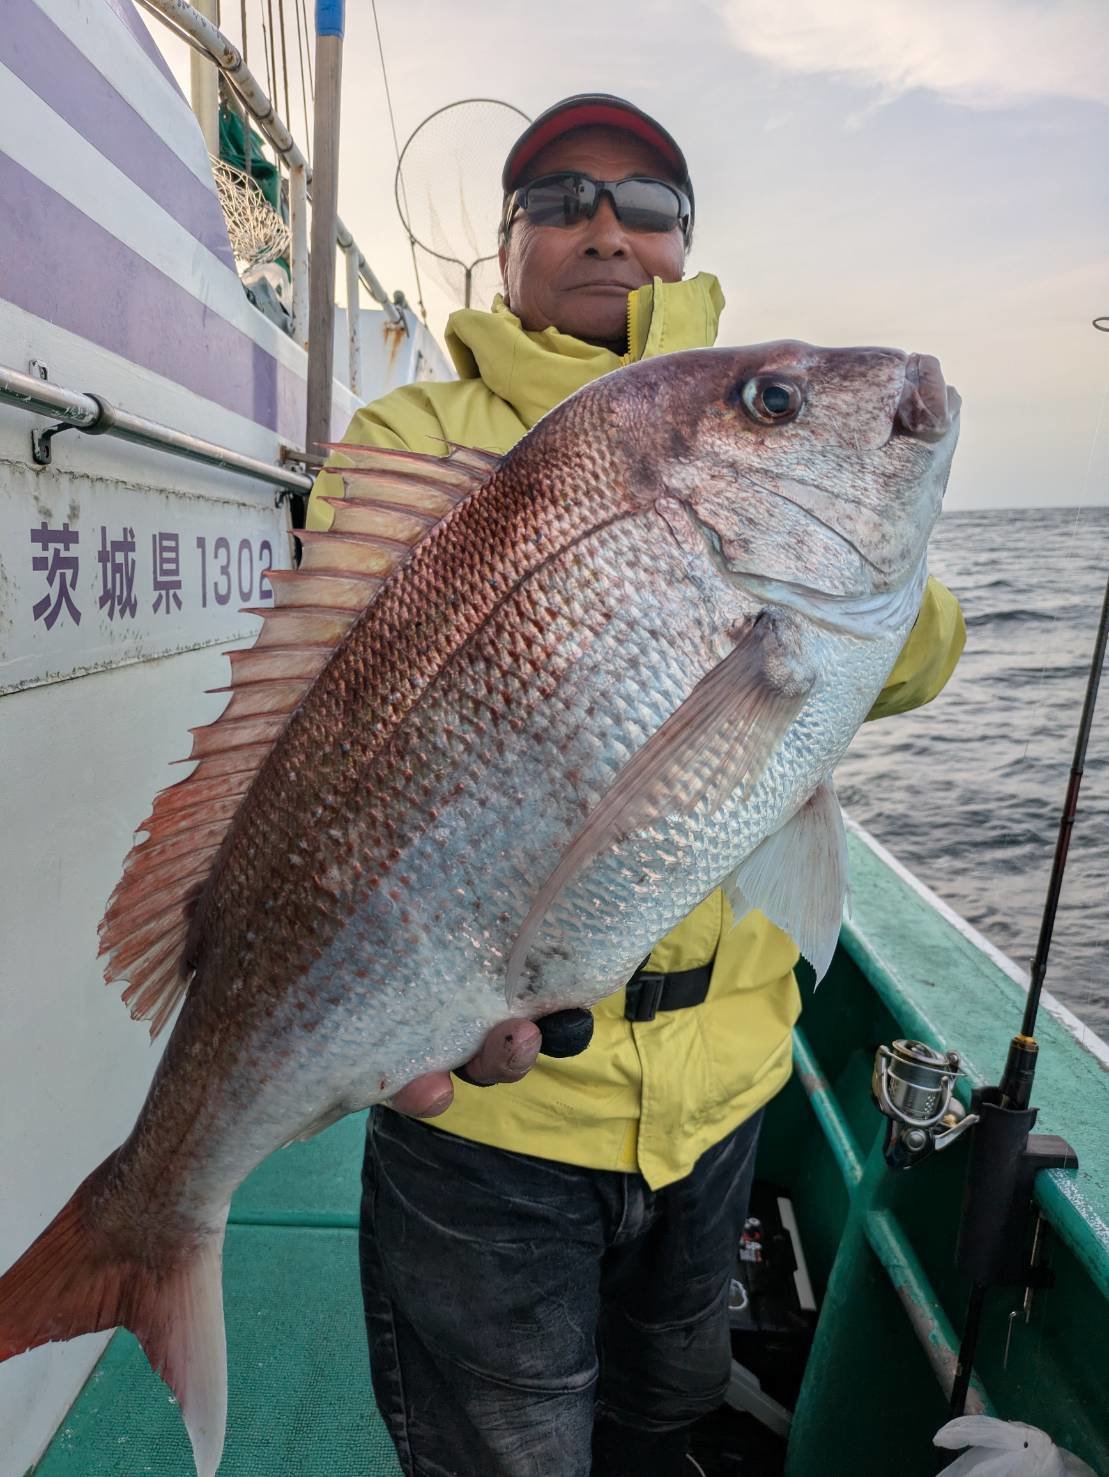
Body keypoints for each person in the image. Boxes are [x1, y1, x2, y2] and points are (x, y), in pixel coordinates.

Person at [306, 94, 966, 1477]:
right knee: (502, 1449)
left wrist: (824, 570)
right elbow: (346, 715)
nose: (605, 230)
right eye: (558, 201)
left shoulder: (767, 437)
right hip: (499, 1107)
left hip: (724, 1089)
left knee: (665, 1407)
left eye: (645, 205)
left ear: (683, 243)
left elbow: (912, 664)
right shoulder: (414, 434)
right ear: (505, 246)